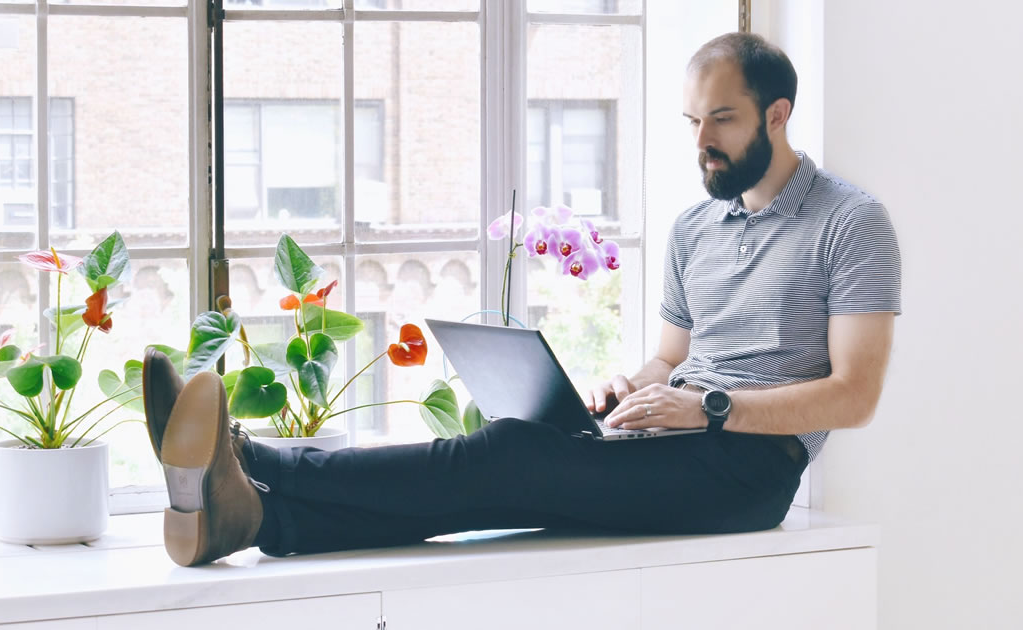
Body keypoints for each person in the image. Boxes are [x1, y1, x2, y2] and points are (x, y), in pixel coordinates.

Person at [143, 31, 902, 567]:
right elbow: (672, 358)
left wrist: (705, 408)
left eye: (723, 119)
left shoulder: (848, 220)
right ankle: (252, 518)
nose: (702, 138)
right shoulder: (696, 227)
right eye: (692, 120)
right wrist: (630, 389)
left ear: (778, 114)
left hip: (748, 471)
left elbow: (855, 395)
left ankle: (251, 459)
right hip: (672, 440)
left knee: (506, 455)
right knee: (483, 494)